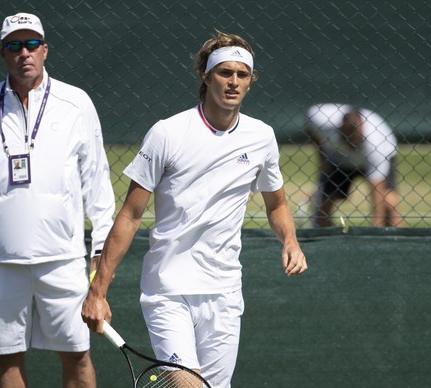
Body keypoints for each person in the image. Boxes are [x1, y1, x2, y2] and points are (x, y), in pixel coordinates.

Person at [81, 31, 308, 387]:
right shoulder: (167, 134)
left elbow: (276, 203)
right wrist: (98, 290)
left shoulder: (261, 137)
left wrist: (290, 240)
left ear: (250, 82)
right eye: (225, 73)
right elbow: (130, 215)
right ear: (206, 75)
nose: (233, 82)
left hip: (224, 291)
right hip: (167, 290)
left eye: (242, 75)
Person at [0, 12, 115, 387]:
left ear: (45, 50)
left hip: (64, 260)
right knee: (7, 359)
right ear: (3, 53)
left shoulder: (76, 104)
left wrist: (100, 251)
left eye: (32, 44)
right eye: (15, 45)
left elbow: (97, 183)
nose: (25, 53)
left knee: (78, 356)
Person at [306, 103, 403, 227]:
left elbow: (377, 191)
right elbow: (311, 130)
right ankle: (322, 240)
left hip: (373, 160)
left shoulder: (376, 144)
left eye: (355, 141)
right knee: (323, 205)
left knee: (389, 202)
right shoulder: (320, 118)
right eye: (348, 140)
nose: (352, 145)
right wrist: (322, 157)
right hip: (339, 160)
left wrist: (375, 231)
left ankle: (395, 239)